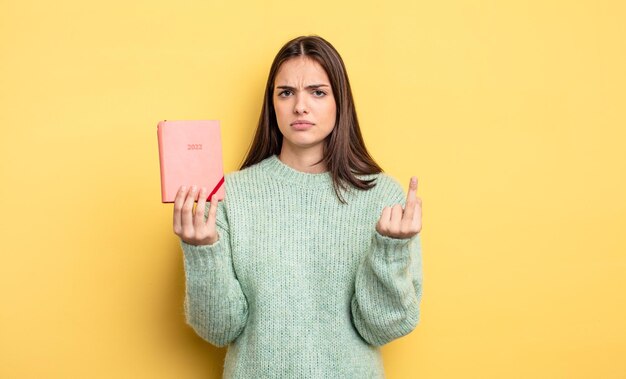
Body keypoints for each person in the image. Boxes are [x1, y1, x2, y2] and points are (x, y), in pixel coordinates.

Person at [172, 35, 423, 378]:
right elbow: (219, 330)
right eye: (286, 92)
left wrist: (389, 251)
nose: (300, 107)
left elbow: (382, 328)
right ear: (272, 103)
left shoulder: (383, 198)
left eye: (317, 92)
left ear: (340, 101)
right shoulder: (228, 195)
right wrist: (202, 251)